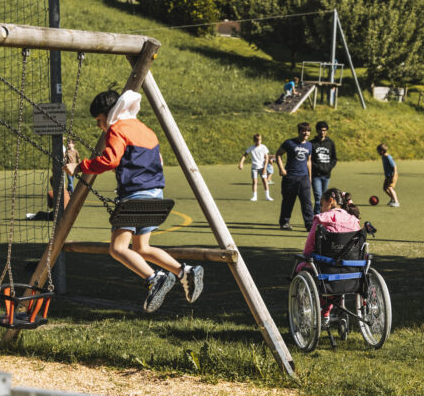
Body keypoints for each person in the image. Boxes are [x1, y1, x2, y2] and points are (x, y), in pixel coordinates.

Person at [64, 89, 204, 313]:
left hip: (135, 196)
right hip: (156, 194)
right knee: (142, 247)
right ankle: (183, 271)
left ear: (108, 114)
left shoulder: (117, 129)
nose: (100, 126)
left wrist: (79, 167)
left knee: (118, 249)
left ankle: (154, 278)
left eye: (100, 120)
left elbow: (110, 160)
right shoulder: (145, 129)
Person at [297, 188, 361, 323]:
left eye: (321, 204)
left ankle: (320, 311)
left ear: (330, 201)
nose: (320, 208)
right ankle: (325, 312)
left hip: (325, 272)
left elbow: (308, 249)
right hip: (352, 273)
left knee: (302, 267)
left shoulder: (321, 219)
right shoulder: (354, 220)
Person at [276, 122, 313, 231]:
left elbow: (308, 161)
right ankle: (284, 222)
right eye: (303, 130)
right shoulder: (289, 143)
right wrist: (281, 168)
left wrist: (310, 176)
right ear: (299, 131)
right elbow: (278, 154)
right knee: (288, 201)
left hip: (304, 178)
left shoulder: (309, 145)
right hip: (290, 177)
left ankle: (309, 224)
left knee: (307, 202)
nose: (306, 133)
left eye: (308, 131)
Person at [311, 121, 337, 214]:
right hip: (316, 175)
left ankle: (321, 216)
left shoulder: (330, 143)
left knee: (324, 198)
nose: (322, 132)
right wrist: (317, 167)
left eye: (324, 130)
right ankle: (317, 218)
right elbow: (309, 160)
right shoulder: (312, 144)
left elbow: (334, 158)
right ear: (317, 131)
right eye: (321, 130)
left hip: (326, 175)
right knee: (318, 197)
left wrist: (329, 167)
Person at [238, 133, 273, 201]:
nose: (258, 141)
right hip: (254, 168)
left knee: (265, 181)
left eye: (260, 140)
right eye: (257, 140)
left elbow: (266, 158)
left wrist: (265, 168)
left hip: (262, 167)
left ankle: (267, 196)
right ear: (254, 140)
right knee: (254, 181)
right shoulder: (251, 148)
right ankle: (254, 196)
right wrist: (241, 163)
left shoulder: (263, 147)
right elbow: (244, 155)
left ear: (261, 140)